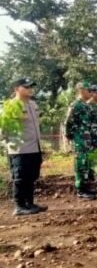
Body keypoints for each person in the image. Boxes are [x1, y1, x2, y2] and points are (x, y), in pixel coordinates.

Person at [6, 78, 46, 215]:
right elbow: (4, 127)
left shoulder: (33, 104)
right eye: (26, 87)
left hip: (35, 147)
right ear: (16, 89)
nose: (30, 89)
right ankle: (19, 206)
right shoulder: (11, 105)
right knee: (20, 177)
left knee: (31, 176)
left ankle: (30, 203)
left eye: (31, 86)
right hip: (20, 148)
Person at [65, 81, 96, 200]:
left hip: (87, 139)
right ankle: (80, 189)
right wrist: (70, 137)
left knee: (87, 163)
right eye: (89, 91)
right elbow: (68, 122)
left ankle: (87, 187)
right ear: (81, 91)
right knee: (80, 163)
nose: (91, 93)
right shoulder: (76, 105)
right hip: (79, 139)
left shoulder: (86, 105)